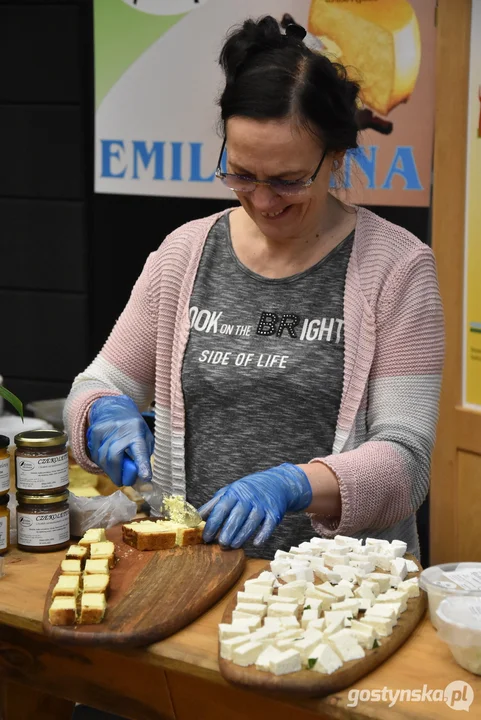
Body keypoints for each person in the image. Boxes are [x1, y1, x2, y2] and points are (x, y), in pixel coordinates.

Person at [64, 16, 444, 561]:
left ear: (335, 156)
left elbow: (405, 464)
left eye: (289, 180)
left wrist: (294, 483)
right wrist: (101, 412)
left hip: (338, 596)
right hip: (191, 578)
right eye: (242, 174)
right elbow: (95, 382)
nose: (264, 201)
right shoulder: (185, 255)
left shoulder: (398, 268)